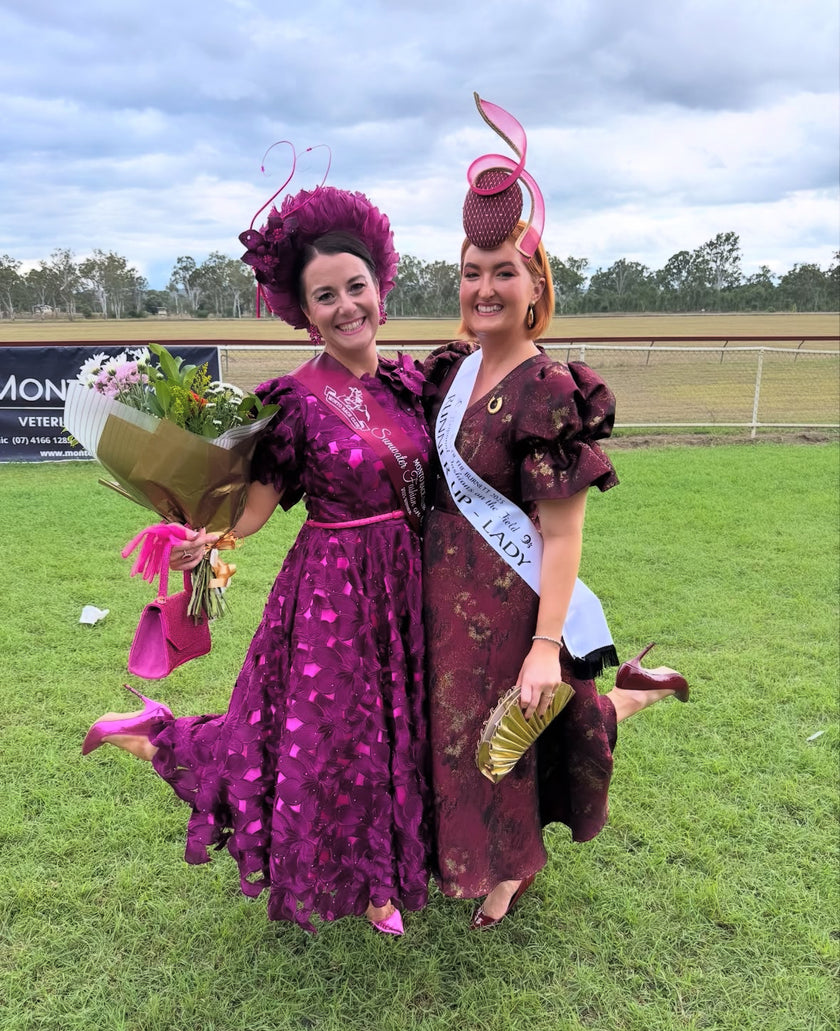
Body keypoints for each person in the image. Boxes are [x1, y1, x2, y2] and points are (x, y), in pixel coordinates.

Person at [82, 185, 432, 936]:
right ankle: (153, 733)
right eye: (325, 296)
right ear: (304, 312)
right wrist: (218, 534)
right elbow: (262, 503)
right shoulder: (299, 401)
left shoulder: (411, 385)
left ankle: (379, 879)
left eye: (356, 287)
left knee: (394, 734)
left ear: (382, 287)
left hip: (403, 587)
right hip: (332, 597)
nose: (346, 306)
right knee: (325, 741)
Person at [422, 95, 688, 929]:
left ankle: (508, 871)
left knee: (506, 744)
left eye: (505, 270)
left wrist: (544, 646)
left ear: (537, 284)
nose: (485, 286)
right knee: (461, 733)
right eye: (472, 270)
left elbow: (564, 532)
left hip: (512, 607)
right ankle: (637, 689)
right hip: (441, 598)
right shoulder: (454, 374)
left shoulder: (549, 390)